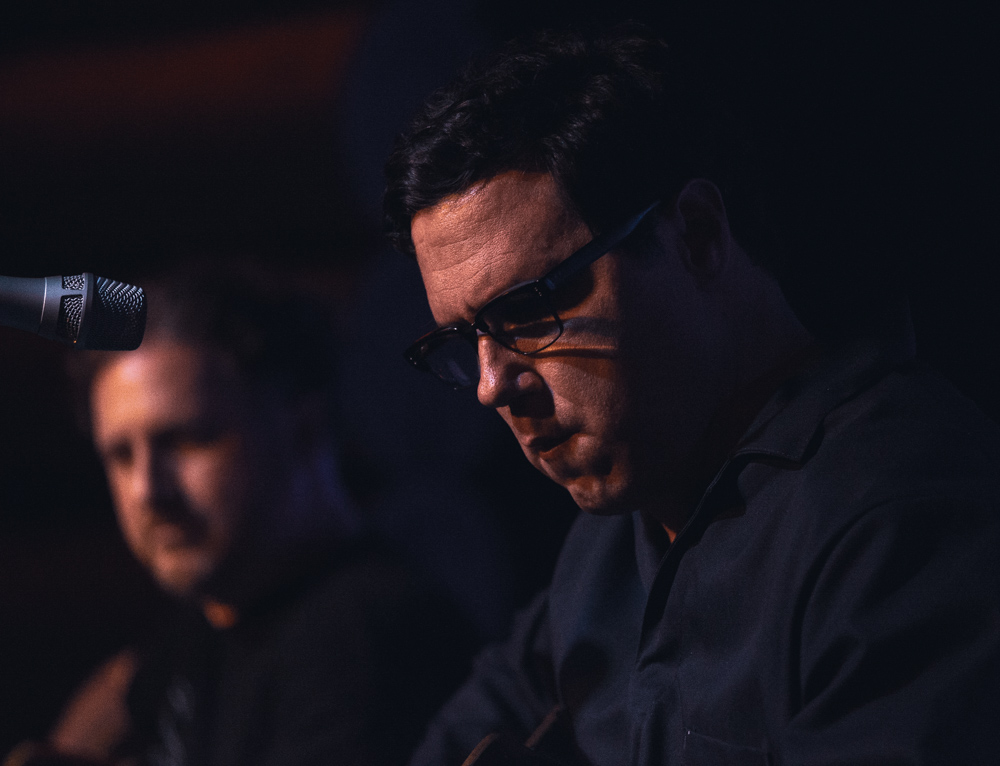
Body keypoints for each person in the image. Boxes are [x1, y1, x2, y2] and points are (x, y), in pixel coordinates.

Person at [383, 24, 1000, 766]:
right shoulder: (609, 541)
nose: (490, 386)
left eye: (529, 309)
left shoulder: (901, 514)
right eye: (463, 339)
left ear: (699, 236)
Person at [8, 263, 475, 766]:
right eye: (121, 456)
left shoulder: (367, 639)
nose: (148, 491)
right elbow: (125, 685)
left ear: (303, 431)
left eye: (189, 440)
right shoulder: (219, 617)